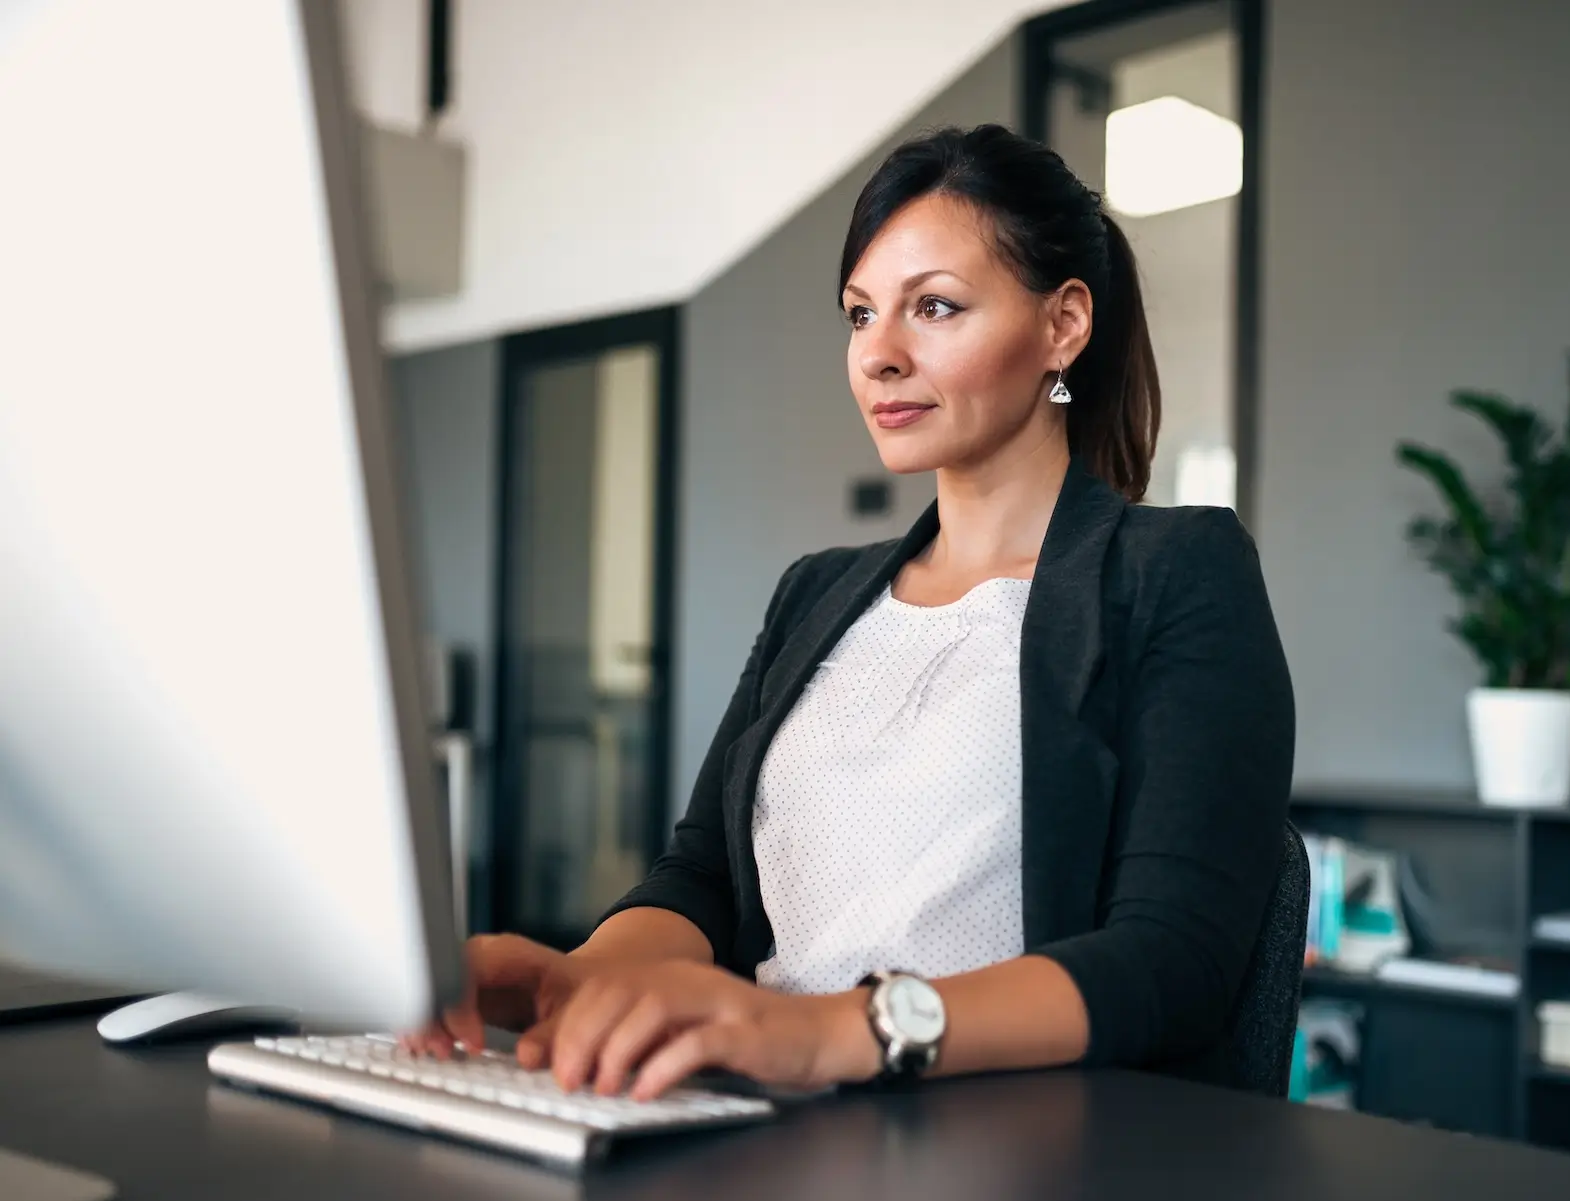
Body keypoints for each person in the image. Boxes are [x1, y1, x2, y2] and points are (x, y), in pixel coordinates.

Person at [415, 123, 1294, 1099]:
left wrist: (832, 1029)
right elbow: (699, 877)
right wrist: (578, 975)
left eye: (934, 307)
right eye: (860, 313)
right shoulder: (817, 592)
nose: (878, 354)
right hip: (762, 1124)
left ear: (1064, 325)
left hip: (1015, 1160)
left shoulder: (1178, 572)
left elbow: (1171, 964)